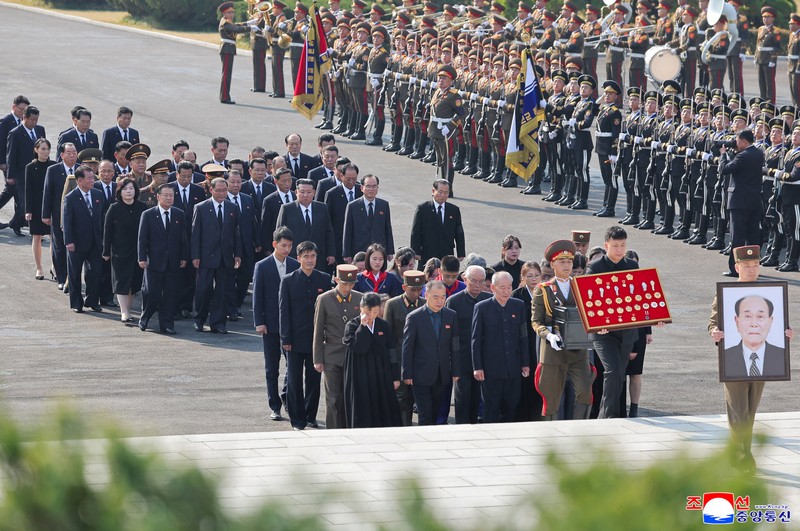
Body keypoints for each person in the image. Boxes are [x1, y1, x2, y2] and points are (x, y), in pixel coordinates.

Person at [709, 245, 794, 471]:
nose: (752, 270)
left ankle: (741, 452)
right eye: (747, 266)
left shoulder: (768, 292)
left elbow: (778, 324)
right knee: (738, 411)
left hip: (762, 361)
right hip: (734, 360)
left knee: (750, 410)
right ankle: (742, 457)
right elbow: (713, 321)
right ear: (737, 267)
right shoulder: (726, 293)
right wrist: (714, 333)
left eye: (755, 265)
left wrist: (786, 332)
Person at [586, 226, 655, 418]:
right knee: (613, 371)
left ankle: (612, 416)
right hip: (603, 333)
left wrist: (653, 319)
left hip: (627, 332)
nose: (619, 250)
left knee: (619, 375)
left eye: (623, 245)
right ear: (606, 245)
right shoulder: (595, 268)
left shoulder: (632, 266)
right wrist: (597, 324)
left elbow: (641, 298)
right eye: (615, 246)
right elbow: (587, 300)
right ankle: (606, 418)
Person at [531, 241, 594, 421]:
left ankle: (579, 428)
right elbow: (536, 321)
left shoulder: (582, 286)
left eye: (569, 261)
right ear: (552, 264)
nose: (567, 266)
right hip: (553, 351)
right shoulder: (543, 290)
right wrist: (548, 335)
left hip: (578, 349)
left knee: (585, 392)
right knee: (551, 398)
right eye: (562, 262)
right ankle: (551, 432)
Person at [279, 241, 331, 430]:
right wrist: (285, 339)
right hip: (293, 339)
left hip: (316, 339)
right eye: (306, 256)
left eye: (313, 256)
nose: (310, 260)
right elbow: (283, 311)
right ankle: (297, 420)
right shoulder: (288, 280)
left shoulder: (324, 279)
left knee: (314, 379)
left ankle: (311, 416)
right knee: (294, 381)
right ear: (298, 258)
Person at [253, 226, 299, 421]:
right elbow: (257, 297)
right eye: (283, 245)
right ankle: (275, 405)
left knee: (293, 366)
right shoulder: (262, 266)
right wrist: (259, 322)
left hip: (291, 326)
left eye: (289, 246)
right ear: (274, 244)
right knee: (271, 368)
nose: (286, 249)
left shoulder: (296, 265)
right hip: (270, 325)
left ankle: (287, 397)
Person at [472, 271, 530, 423]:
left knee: (511, 408)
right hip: (491, 370)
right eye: (502, 287)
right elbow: (475, 340)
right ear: (493, 288)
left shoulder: (518, 305)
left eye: (509, 287)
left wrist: (525, 363)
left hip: (513, 368)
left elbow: (523, 337)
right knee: (491, 409)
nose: (506, 291)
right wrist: (477, 367)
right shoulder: (482, 308)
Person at [401, 280, 460, 425]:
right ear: (426, 295)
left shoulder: (450, 315)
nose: (440, 301)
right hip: (420, 374)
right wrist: (406, 373)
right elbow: (407, 347)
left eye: (443, 297)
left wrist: (456, 370)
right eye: (436, 297)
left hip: (442, 373)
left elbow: (455, 345)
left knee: (437, 412)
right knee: (425, 414)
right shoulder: (414, 317)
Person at [312, 264, 363, 429]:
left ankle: (350, 429)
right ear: (336, 280)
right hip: (332, 354)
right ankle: (333, 431)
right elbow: (318, 331)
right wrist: (317, 359)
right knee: (334, 398)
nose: (348, 287)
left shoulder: (359, 298)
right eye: (344, 283)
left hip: (352, 355)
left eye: (351, 284)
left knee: (350, 396)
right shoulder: (324, 299)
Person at [343, 292, 403, 428]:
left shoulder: (384, 326)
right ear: (361, 308)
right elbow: (358, 347)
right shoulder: (352, 326)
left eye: (375, 312)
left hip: (381, 372)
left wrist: (395, 376)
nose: (371, 316)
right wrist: (362, 327)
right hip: (360, 373)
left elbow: (392, 352)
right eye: (368, 312)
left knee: (384, 406)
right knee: (362, 405)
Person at [191, 177, 242, 334]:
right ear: (211, 190)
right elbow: (195, 234)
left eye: (224, 190)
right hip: (206, 256)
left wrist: (237, 254)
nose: (221, 193)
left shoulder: (232, 207)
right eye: (218, 190)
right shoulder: (201, 207)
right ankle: (199, 319)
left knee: (222, 291)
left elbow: (236, 233)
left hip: (225, 256)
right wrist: (195, 255)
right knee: (203, 289)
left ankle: (218, 323)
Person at [137, 183, 189, 334]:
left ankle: (167, 324)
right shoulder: (148, 215)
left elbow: (183, 238)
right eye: (165, 195)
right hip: (153, 261)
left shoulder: (179, 214)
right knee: (152, 293)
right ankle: (145, 317)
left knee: (170, 295)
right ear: (158, 197)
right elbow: (142, 239)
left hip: (173, 261)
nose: (168, 198)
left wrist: (184, 256)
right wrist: (142, 257)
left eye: (171, 195)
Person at [446, 265, 491, 424]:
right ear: (464, 279)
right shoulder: (453, 302)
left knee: (479, 399)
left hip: (484, 359)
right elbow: (449, 335)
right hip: (462, 360)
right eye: (473, 281)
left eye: (481, 281)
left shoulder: (488, 300)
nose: (478, 285)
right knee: (462, 399)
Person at [384, 270, 426, 426]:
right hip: (400, 360)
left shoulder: (424, 303)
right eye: (412, 289)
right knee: (401, 399)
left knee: (419, 398)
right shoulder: (393, 304)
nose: (416, 293)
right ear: (404, 287)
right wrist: (391, 363)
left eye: (419, 289)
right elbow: (388, 337)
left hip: (420, 361)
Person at [719, 129, 764, 277]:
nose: (735, 143)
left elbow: (724, 169)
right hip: (754, 202)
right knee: (752, 237)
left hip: (739, 202)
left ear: (744, 141)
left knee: (737, 237)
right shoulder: (758, 154)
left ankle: (735, 268)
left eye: (737, 141)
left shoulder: (742, 156)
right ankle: (753, 268)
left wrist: (723, 155)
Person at [102, 177, 148, 323]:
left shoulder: (143, 207)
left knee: (134, 283)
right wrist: (106, 251)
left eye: (131, 189)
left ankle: (127, 309)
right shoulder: (114, 208)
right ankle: (124, 312)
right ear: (120, 192)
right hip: (119, 252)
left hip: (137, 251)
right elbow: (107, 231)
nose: (128, 192)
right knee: (121, 282)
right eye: (125, 189)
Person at [62, 165, 103, 313]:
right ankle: (76, 303)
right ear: (79, 180)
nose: (93, 180)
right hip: (77, 243)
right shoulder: (71, 198)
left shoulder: (98, 195)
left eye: (93, 177)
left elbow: (101, 218)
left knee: (96, 272)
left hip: (95, 242)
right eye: (90, 178)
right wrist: (69, 241)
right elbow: (66, 221)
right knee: (74, 274)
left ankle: (92, 300)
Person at [275, 178, 336, 271]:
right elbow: (280, 234)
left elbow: (329, 232)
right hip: (294, 257)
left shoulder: (322, 208)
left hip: (317, 256)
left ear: (314, 193)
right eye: (302, 192)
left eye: (309, 192)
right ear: (296, 192)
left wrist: (331, 253)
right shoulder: (287, 209)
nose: (305, 195)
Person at [225, 170, 261, 320]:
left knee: (244, 278)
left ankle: (237, 305)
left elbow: (253, 222)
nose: (235, 185)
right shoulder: (221, 199)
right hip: (228, 247)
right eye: (232, 182)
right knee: (228, 279)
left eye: (238, 182)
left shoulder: (247, 199)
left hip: (246, 246)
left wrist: (257, 242)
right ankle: (230, 308)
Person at [4, 105, 45, 236]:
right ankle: (17, 223)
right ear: (24, 117)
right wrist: (10, 176)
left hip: (37, 171)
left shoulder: (40, 130)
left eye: (36, 120)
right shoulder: (15, 133)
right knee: (24, 203)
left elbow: (44, 149)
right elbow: (11, 156)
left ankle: (19, 224)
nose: (34, 122)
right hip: (20, 173)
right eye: (32, 119)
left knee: (35, 202)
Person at [512, 261, 544, 422]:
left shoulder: (546, 292)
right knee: (524, 385)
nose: (534, 279)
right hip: (523, 344)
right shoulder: (517, 295)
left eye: (537, 275)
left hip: (541, 342)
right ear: (523, 278)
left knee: (541, 382)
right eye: (529, 276)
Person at [410, 179, 466, 267]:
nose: (443, 195)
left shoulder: (454, 210)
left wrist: (461, 252)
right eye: (440, 192)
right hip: (427, 252)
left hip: (447, 252)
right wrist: (415, 252)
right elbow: (416, 232)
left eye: (446, 193)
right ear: (433, 191)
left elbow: (459, 232)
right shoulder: (423, 208)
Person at [342, 174, 395, 263]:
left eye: (374, 186)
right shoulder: (353, 206)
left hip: (378, 252)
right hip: (359, 251)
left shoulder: (384, 205)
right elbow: (347, 231)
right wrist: (346, 254)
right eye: (368, 186)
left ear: (377, 188)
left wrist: (390, 251)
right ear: (362, 188)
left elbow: (387, 228)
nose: (371, 189)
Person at [24, 138, 55, 280]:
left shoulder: (54, 166)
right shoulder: (30, 167)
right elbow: (28, 190)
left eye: (47, 149)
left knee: (53, 237)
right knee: (37, 236)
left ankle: (54, 267)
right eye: (42, 148)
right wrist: (28, 210)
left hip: (51, 206)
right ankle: (39, 268)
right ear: (36, 150)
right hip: (36, 206)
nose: (46, 151)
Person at [218, 1, 252, 104]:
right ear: (225, 13)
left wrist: (249, 23)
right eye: (230, 12)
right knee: (226, 74)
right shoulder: (225, 22)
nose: (232, 14)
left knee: (227, 74)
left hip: (228, 49)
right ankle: (224, 97)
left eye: (232, 12)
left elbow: (237, 25)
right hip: (227, 49)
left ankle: (224, 96)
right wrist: (250, 28)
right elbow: (235, 29)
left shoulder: (227, 21)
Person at [261, 167, 295, 241]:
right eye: (284, 181)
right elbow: (266, 226)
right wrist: (267, 249)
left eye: (289, 180)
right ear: (276, 181)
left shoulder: (296, 196)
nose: (287, 183)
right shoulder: (269, 200)